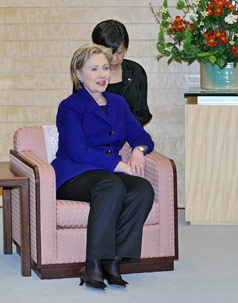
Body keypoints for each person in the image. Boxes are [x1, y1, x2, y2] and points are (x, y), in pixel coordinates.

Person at [52, 44, 155, 290]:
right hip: (74, 174)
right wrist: (119, 164)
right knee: (112, 185)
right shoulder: (70, 106)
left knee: (142, 188)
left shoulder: (118, 103)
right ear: (78, 74)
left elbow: (143, 138)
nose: (102, 75)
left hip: (107, 175)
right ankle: (93, 263)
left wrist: (139, 152)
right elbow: (78, 152)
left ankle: (114, 260)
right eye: (94, 69)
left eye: (105, 68)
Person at [91, 19, 152, 126]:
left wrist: (125, 132)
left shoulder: (135, 71)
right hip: (95, 138)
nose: (115, 59)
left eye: (119, 52)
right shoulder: (87, 73)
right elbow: (79, 112)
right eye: (110, 53)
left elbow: (142, 112)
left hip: (130, 137)